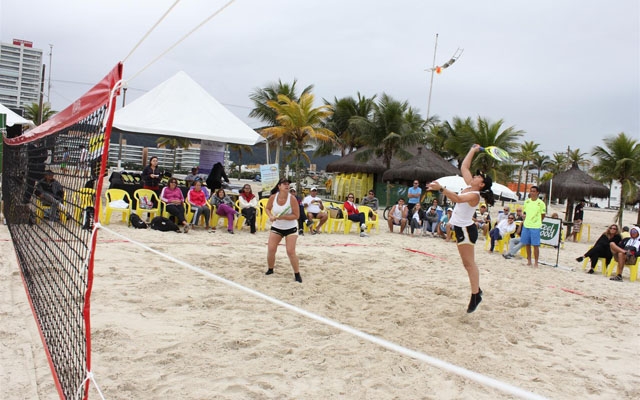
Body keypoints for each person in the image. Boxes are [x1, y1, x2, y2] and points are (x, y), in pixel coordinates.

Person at [427, 144, 494, 313]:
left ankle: (476, 294)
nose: (476, 176)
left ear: (482, 184)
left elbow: (456, 199)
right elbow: (464, 166)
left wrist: (441, 188)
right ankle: (476, 292)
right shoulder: (469, 185)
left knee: (469, 264)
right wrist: (473, 149)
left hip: (466, 230)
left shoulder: (474, 195)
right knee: (467, 264)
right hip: (460, 228)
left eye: (479, 176)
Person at [265, 178, 302, 283]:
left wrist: (284, 217)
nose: (287, 186)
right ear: (279, 186)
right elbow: (267, 208)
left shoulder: (292, 199)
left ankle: (297, 273)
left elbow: (297, 215)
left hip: (291, 227)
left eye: (288, 184)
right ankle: (270, 269)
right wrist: (271, 216)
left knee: (290, 251)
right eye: (284, 184)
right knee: (271, 249)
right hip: (277, 226)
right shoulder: (273, 197)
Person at [521, 186, 546, 267]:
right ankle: (529, 261)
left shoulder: (541, 203)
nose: (532, 193)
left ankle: (536, 262)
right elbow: (525, 213)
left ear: (537, 192)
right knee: (527, 244)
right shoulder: (527, 202)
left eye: (534, 191)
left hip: (535, 226)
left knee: (535, 245)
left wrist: (538, 222)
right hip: (526, 225)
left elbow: (543, 215)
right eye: (531, 191)